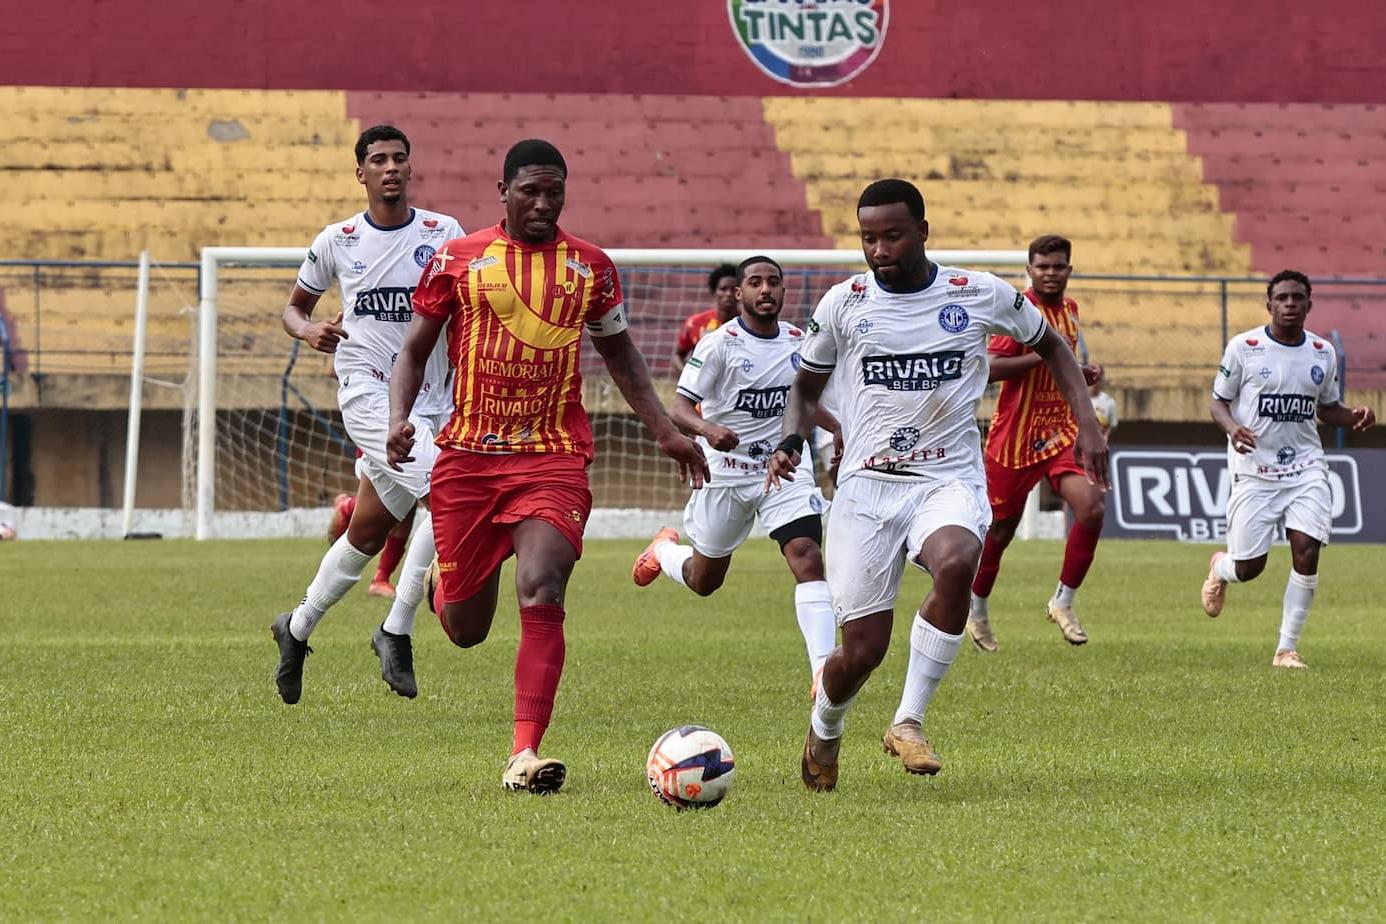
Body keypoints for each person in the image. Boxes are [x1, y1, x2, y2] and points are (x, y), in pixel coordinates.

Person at [388, 139, 709, 795]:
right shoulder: (457, 259)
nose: (541, 203)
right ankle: (443, 592)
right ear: (502, 191)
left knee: (543, 586)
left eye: (552, 192)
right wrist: (400, 416)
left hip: (552, 457)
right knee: (466, 630)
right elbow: (413, 350)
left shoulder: (591, 268)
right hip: (468, 462)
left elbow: (622, 359)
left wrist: (666, 431)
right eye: (528, 191)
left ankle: (524, 754)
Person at [765, 179, 1108, 792]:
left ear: (923, 231)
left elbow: (1052, 346)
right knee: (862, 652)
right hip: (867, 490)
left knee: (958, 560)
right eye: (868, 238)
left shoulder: (976, 292)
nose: (878, 249)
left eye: (892, 236)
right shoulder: (843, 303)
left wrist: (1088, 424)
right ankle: (826, 727)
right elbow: (807, 388)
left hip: (945, 477)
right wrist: (793, 439)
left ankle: (909, 720)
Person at [270, 124, 465, 705]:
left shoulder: (443, 233)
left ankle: (296, 627)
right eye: (377, 160)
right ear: (361, 173)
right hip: (367, 395)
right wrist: (309, 331)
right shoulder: (338, 239)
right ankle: (396, 628)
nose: (389, 168)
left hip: (434, 398)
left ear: (409, 168)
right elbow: (293, 308)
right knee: (447, 489)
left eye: (398, 159)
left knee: (367, 530)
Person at [631, 255, 838, 693]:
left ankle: (823, 670)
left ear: (784, 292)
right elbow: (679, 408)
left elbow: (804, 400)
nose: (766, 290)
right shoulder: (718, 345)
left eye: (774, 282)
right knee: (705, 581)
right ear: (739, 293)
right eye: (756, 283)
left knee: (807, 556)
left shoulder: (799, 342)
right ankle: (664, 552)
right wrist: (709, 429)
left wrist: (837, 427)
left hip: (782, 469)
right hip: (724, 472)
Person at [1200, 270, 1375, 668]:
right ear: (1269, 305)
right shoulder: (1244, 348)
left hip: (1305, 467)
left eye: (1298, 297)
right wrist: (1232, 429)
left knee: (1307, 549)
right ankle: (1220, 567)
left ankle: (1286, 648)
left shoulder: (1322, 352)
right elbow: (1217, 402)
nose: (1290, 304)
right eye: (1282, 298)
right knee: (1249, 568)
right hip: (1254, 469)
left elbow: (1327, 408)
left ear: (1309, 305)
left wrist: (1353, 417)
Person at [965, 235, 1106, 653]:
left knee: (1092, 507)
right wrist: (1043, 355)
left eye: (1058, 266)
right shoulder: (1017, 312)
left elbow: (1060, 366)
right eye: (1042, 266)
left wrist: (1080, 371)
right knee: (1001, 530)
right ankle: (978, 607)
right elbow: (991, 367)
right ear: (1029, 270)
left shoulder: (1072, 311)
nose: (1050, 273)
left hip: (1061, 431)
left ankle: (1062, 602)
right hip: (1015, 438)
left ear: (1069, 270)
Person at [328, 476, 417, 599]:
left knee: (407, 503)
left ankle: (381, 579)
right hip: (388, 458)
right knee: (393, 498)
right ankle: (347, 506)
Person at [671, 264, 739, 376]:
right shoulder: (695, 323)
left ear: (740, 292)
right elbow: (677, 355)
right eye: (723, 289)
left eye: (733, 289)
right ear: (714, 292)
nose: (728, 294)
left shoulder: (750, 323)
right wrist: (688, 378)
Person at [1090, 368, 1118, 442]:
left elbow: (1111, 425)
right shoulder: (1080, 399)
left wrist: (1105, 436)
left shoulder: (1109, 402)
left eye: (1100, 379)